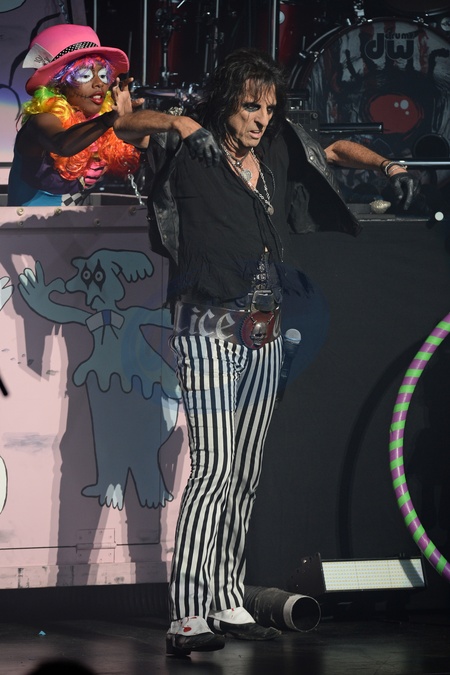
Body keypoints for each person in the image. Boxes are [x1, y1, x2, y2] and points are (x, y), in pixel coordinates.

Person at [114, 48, 417, 657]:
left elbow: (332, 150)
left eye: (269, 108)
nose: (261, 118)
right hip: (206, 327)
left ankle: (227, 596)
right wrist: (180, 122)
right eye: (251, 106)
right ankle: (188, 613)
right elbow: (125, 124)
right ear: (227, 101)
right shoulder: (189, 146)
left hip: (265, 335)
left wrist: (388, 165)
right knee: (214, 468)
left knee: (245, 472)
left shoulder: (275, 147)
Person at [7, 24, 142, 207]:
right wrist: (108, 120)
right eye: (85, 75)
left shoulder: (96, 124)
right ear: (58, 84)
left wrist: (131, 124)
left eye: (103, 75)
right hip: (24, 224)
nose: (99, 84)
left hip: (76, 224)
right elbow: (62, 144)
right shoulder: (41, 121)